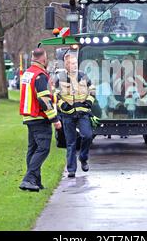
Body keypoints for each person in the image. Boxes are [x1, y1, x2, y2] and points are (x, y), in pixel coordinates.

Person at [19, 48, 61, 192]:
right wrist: (54, 119)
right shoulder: (40, 75)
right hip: (39, 117)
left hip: (29, 116)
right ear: (43, 59)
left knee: (33, 149)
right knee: (43, 148)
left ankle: (35, 181)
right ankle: (28, 179)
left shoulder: (28, 73)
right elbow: (44, 99)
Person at [54, 54, 96, 178]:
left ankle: (83, 158)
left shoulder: (83, 76)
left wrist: (89, 101)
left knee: (88, 136)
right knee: (71, 143)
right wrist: (63, 105)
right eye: (71, 63)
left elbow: (92, 89)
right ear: (66, 65)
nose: (74, 66)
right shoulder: (60, 78)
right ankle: (71, 169)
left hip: (83, 113)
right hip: (67, 115)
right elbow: (55, 96)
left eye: (75, 63)